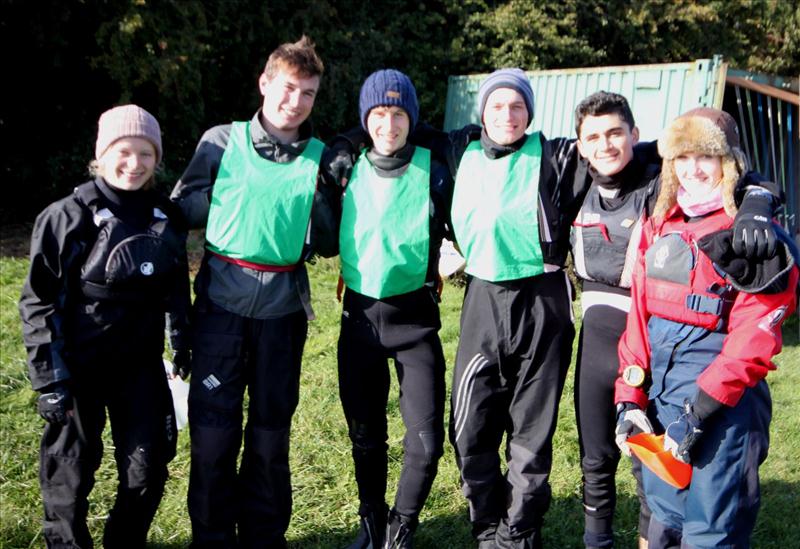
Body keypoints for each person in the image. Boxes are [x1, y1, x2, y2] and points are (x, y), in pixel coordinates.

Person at [570, 92, 780, 549]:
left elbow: (753, 339)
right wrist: (628, 400)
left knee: (710, 532)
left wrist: (700, 413)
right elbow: (638, 321)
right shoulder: (659, 222)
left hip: (722, 410)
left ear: (729, 161)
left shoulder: (754, 233)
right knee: (663, 523)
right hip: (662, 405)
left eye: (706, 156)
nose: (693, 168)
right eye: (683, 157)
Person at [169, 36, 340, 548]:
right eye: (288, 88)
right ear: (265, 84)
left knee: (270, 434)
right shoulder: (221, 141)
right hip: (221, 305)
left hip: (282, 312)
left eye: (308, 94)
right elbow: (181, 211)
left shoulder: (320, 157)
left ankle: (264, 536)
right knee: (214, 435)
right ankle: (212, 538)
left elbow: (329, 243)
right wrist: (229, 194)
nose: (296, 102)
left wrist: (330, 192)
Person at [19, 104, 191, 548]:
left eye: (146, 154)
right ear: (102, 153)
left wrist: (181, 344)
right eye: (124, 151)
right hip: (79, 369)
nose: (134, 164)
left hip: (141, 369)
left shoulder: (166, 217)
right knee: (69, 475)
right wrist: (50, 380)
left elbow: (175, 288)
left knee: (148, 470)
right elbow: (39, 302)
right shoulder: (67, 217)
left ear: (157, 159)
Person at [335, 69, 450, 549]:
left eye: (399, 113)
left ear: (412, 118)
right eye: (378, 114)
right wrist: (345, 138)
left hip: (415, 324)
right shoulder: (343, 166)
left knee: (425, 442)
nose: (389, 124)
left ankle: (400, 527)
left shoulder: (437, 165)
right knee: (366, 435)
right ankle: (370, 518)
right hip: (359, 322)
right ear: (365, 119)